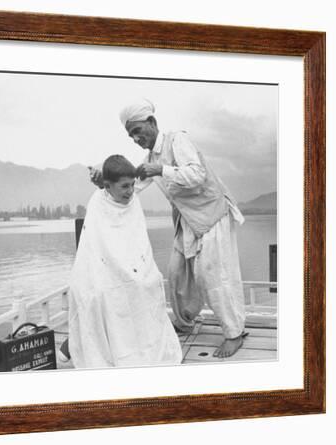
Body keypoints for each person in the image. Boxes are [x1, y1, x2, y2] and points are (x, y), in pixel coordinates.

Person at [91, 99, 246, 358]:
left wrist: (162, 169)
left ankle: (234, 333)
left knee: (215, 277)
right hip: (187, 221)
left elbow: (197, 174)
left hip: (212, 215)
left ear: (152, 123)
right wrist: (103, 182)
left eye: (138, 131)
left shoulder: (177, 141)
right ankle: (184, 322)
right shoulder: (149, 159)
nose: (135, 138)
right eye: (131, 135)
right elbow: (130, 189)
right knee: (176, 274)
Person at [67, 154, 182, 369]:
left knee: (150, 283)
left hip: (134, 268)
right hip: (103, 272)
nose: (130, 191)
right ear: (107, 186)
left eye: (132, 185)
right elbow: (97, 248)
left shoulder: (133, 201)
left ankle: (143, 346)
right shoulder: (98, 203)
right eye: (124, 187)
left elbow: (138, 243)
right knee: (102, 294)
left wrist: (136, 272)